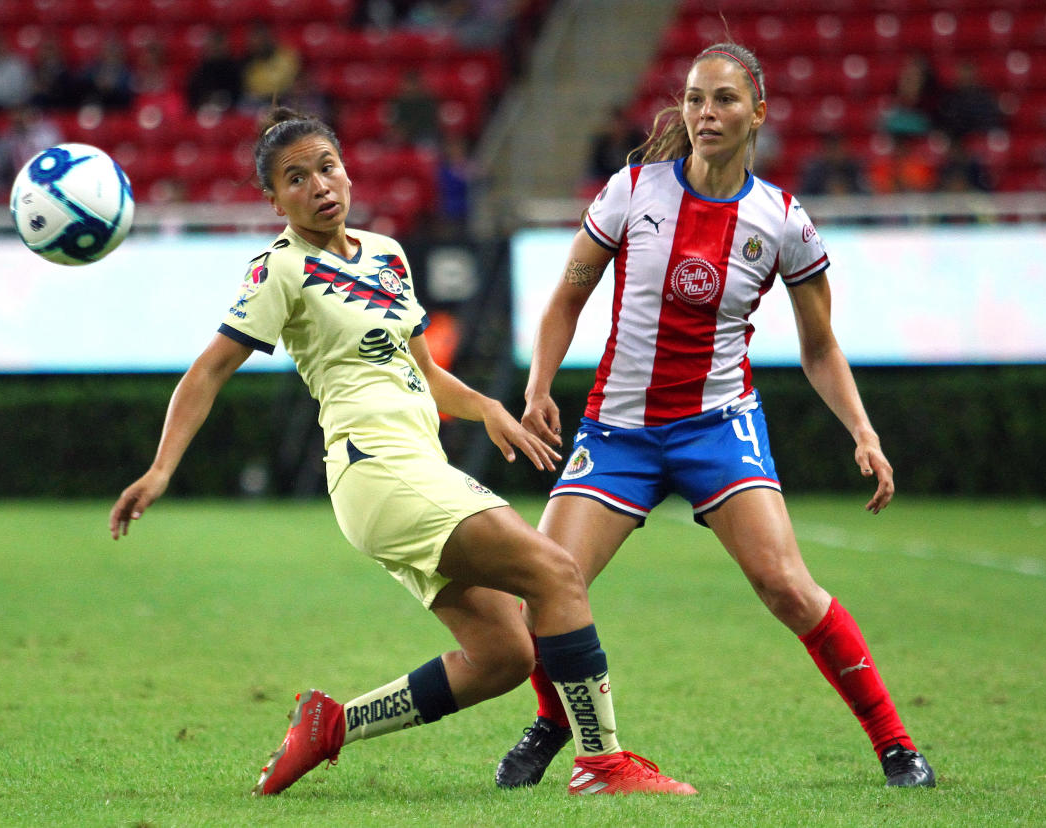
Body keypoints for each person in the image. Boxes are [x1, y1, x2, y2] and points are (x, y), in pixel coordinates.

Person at [108, 108, 695, 798]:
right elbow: (207, 370)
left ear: (347, 169)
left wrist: (487, 408)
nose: (320, 185)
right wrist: (161, 468)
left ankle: (331, 726)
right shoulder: (279, 271)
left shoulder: (387, 254)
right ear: (274, 202)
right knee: (556, 573)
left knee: (506, 654)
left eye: (327, 166)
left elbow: (427, 373)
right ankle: (602, 762)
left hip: (418, 469)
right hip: (376, 473)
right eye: (296, 179)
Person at [495, 43, 936, 791]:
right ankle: (554, 721)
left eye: (725, 99)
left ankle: (897, 745)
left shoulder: (784, 221)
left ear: (757, 112)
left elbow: (820, 347)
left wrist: (863, 431)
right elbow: (567, 295)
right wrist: (539, 387)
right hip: (618, 431)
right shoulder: (631, 191)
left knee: (788, 588)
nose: (706, 113)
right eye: (696, 98)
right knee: (546, 584)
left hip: (717, 426)